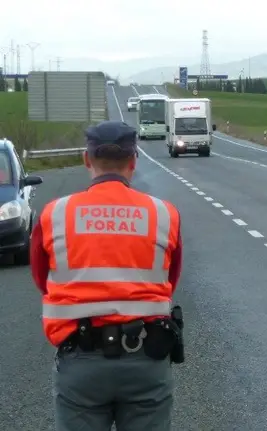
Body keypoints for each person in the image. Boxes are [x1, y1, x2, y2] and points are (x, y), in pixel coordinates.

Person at [29, 120, 184, 431]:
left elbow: (41, 279)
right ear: (134, 159)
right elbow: (171, 279)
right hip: (146, 359)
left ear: (87, 160)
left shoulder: (55, 213)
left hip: (81, 362)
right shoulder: (163, 213)